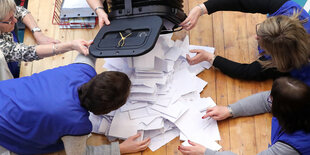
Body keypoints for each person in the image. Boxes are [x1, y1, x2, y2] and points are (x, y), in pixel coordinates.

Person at [0, 50, 151, 155]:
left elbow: (88, 53)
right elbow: (81, 153)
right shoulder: (75, 124)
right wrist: (120, 149)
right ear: (105, 110)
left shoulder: (81, 71)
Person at [182, 0, 310, 85]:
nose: (255, 37)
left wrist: (210, 57)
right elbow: (241, 2)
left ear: (275, 55)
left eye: (262, 41)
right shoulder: (288, 8)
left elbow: (246, 72)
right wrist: (202, 8)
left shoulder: (283, 65)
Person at [178, 77, 310, 155]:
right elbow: (265, 99)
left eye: (272, 100)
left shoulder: (290, 147)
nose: (268, 99)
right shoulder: (300, 101)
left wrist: (207, 153)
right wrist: (230, 110)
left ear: (284, 112)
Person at [0, 0, 92, 81]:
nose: (15, 20)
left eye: (13, 16)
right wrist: (71, 45)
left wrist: (37, 33)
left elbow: (21, 11)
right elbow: (27, 52)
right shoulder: (2, 47)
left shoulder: (4, 12)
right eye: (10, 19)